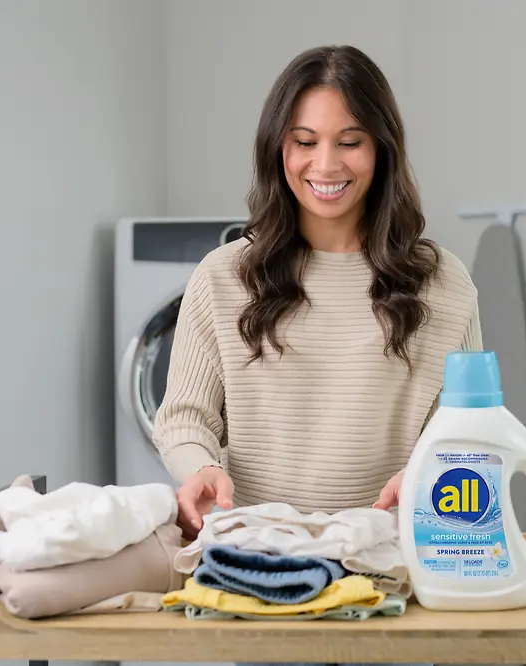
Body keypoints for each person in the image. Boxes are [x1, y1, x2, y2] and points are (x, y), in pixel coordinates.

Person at [152, 43, 482, 546]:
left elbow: (466, 428)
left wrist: (429, 475)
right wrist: (200, 467)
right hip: (253, 551)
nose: (325, 165)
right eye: (304, 141)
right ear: (277, 148)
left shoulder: (444, 283)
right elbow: (183, 417)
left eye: (350, 142)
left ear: (381, 149)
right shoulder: (223, 277)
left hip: (388, 555)